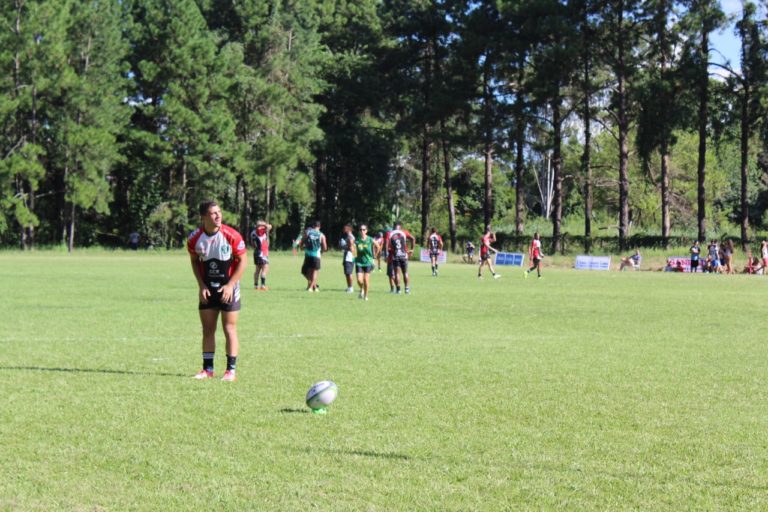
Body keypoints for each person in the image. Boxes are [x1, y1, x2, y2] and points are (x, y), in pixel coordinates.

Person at [188, 200, 247, 382]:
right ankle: (208, 369)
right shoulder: (194, 239)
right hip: (208, 289)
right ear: (203, 217)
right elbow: (195, 261)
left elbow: (243, 261)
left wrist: (230, 285)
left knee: (229, 328)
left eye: (219, 212)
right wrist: (201, 285)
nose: (218, 216)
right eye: (213, 213)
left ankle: (231, 371)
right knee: (208, 330)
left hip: (229, 288)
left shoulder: (232, 236)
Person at [388, 222, 416, 294]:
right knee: (405, 272)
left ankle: (398, 290)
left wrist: (387, 254)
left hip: (396, 256)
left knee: (397, 273)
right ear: (400, 227)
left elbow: (387, 246)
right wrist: (412, 249)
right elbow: (413, 238)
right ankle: (407, 289)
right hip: (404, 255)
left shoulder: (390, 234)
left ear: (394, 227)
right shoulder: (404, 232)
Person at [353, 224, 380, 300]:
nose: (362, 231)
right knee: (359, 280)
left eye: (364, 229)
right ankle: (362, 289)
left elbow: (378, 246)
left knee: (366, 280)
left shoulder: (370, 239)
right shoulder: (357, 240)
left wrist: (374, 256)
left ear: (366, 231)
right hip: (359, 262)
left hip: (368, 262)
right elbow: (353, 248)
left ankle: (365, 296)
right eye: (361, 229)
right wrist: (354, 254)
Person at [300, 221, 327, 291]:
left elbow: (302, 242)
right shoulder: (321, 235)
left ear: (313, 226)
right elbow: (325, 247)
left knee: (306, 271)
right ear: (319, 227)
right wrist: (321, 252)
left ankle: (312, 286)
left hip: (308, 254)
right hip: (316, 255)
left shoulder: (308, 233)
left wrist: (302, 248)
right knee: (314, 272)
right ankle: (312, 287)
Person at [249, 220, 272, 290]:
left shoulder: (252, 233)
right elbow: (270, 226)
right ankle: (263, 285)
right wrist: (265, 224)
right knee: (265, 268)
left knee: (257, 270)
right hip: (262, 253)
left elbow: (252, 244)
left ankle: (256, 285)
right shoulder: (260, 230)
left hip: (256, 252)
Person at [340, 224, 356, 293]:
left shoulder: (350, 237)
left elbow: (351, 248)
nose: (343, 229)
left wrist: (343, 246)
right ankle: (349, 287)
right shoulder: (348, 236)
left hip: (349, 257)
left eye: (345, 228)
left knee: (349, 273)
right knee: (347, 273)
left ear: (349, 229)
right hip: (348, 256)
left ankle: (351, 287)